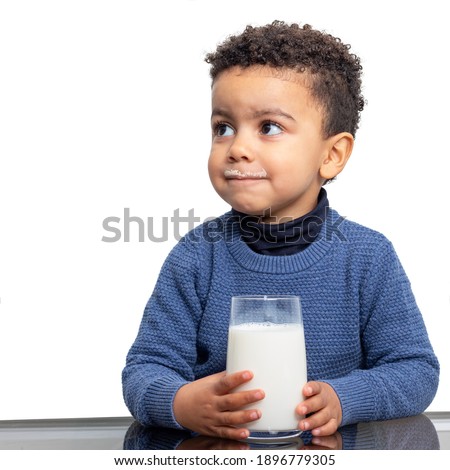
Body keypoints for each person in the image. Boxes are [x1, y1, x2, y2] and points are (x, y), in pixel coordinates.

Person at [122, 21, 439, 442]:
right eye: (223, 127)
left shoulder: (367, 256)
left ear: (332, 154)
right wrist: (181, 403)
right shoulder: (198, 255)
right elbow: (144, 369)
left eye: (269, 127)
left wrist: (346, 398)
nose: (236, 147)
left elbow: (416, 370)